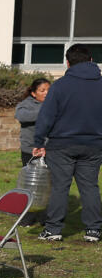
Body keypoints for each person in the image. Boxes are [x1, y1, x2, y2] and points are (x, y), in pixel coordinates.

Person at [32, 44, 102, 244]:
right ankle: (93, 230)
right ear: (91, 61)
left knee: (60, 187)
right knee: (89, 187)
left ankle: (53, 229)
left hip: (61, 144)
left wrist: (38, 141)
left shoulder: (60, 86)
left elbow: (47, 116)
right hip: (94, 144)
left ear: (67, 62)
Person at [16, 78, 51, 167]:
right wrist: (45, 113)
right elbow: (21, 116)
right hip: (32, 151)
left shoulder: (55, 104)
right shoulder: (26, 104)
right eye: (42, 91)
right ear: (33, 93)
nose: (46, 93)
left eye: (49, 90)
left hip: (51, 150)